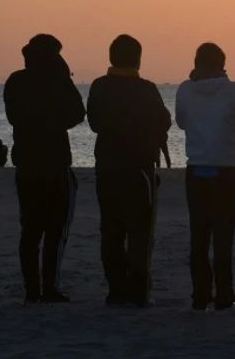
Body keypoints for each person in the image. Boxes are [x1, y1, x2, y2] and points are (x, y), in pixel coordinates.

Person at [87, 34, 171, 307]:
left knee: (110, 230)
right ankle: (137, 290)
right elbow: (164, 120)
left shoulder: (100, 86)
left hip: (108, 168)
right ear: (138, 58)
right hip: (139, 169)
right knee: (140, 232)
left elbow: (95, 123)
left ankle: (116, 288)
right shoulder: (146, 89)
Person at [4, 34, 85, 304]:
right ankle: (48, 286)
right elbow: (77, 113)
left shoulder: (16, 81)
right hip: (54, 162)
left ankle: (32, 289)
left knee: (30, 230)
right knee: (53, 229)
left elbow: (12, 116)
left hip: (26, 162)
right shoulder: (57, 80)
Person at [175, 42, 235, 311]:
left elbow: (182, 122)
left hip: (197, 168)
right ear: (222, 64)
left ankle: (200, 294)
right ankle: (224, 294)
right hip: (224, 170)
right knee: (223, 236)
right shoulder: (232, 90)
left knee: (198, 235)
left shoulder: (185, 90)